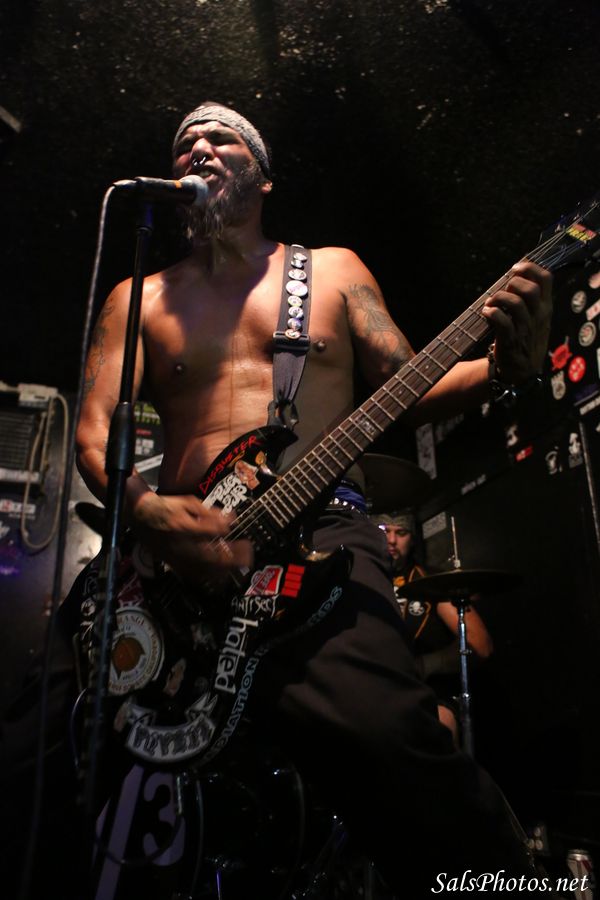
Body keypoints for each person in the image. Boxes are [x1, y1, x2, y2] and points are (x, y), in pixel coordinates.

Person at [5, 102, 553, 898]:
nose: (197, 146)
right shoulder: (138, 297)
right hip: (169, 556)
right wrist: (147, 513)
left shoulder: (332, 272)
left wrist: (506, 369)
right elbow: (93, 434)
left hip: (318, 533)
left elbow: (412, 387)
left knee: (390, 737)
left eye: (220, 137)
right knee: (34, 745)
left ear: (262, 176)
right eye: (184, 142)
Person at [373, 509, 493, 744]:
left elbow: (481, 644)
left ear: (412, 539)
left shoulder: (431, 582)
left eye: (401, 532)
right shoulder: (360, 581)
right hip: (375, 690)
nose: (392, 540)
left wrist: (426, 664)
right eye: (384, 531)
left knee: (439, 724)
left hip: (426, 692)